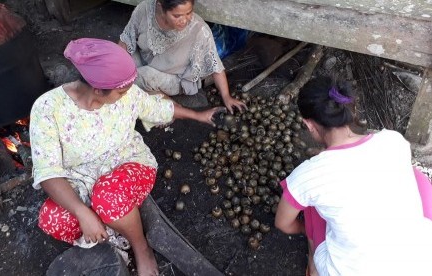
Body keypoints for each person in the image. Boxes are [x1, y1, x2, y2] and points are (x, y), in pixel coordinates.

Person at [30, 38, 223, 276]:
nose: (129, 93)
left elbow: (158, 108)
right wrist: (81, 212)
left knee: (108, 197)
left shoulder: (127, 95)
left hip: (128, 163)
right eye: (122, 90)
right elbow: (48, 171)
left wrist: (199, 116)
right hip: (79, 179)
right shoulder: (48, 108)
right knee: (52, 219)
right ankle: (112, 232)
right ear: (98, 90)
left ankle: (140, 247)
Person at [274, 76, 432, 276]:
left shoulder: (309, 175)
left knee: (312, 204)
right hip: (420, 264)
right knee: (416, 177)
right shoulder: (393, 141)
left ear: (309, 125)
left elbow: (283, 224)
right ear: (350, 110)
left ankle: (314, 268)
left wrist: (306, 230)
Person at [118, 0, 246, 114]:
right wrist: (115, 68)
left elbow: (215, 66)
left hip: (175, 78)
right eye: (177, 16)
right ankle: (153, 95)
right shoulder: (145, 9)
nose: (184, 20)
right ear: (160, 6)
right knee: (122, 59)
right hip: (147, 60)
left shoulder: (199, 30)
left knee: (139, 76)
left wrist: (226, 97)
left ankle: (170, 105)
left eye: (189, 13)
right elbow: (126, 39)